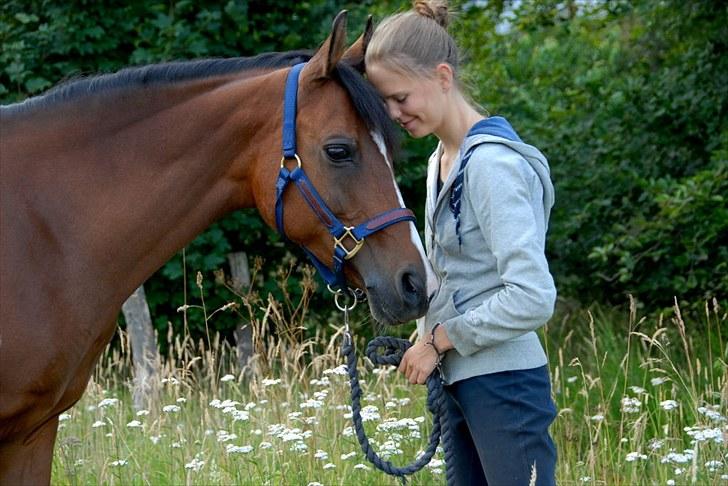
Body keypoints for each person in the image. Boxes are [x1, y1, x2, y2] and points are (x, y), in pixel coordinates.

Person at [364, 2, 559, 485]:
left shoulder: (492, 165)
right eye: (384, 102)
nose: (394, 113)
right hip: (464, 380)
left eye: (401, 96)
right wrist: (426, 339)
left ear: (443, 76)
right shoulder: (442, 160)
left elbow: (533, 297)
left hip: (506, 386)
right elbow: (462, 276)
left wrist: (440, 339)